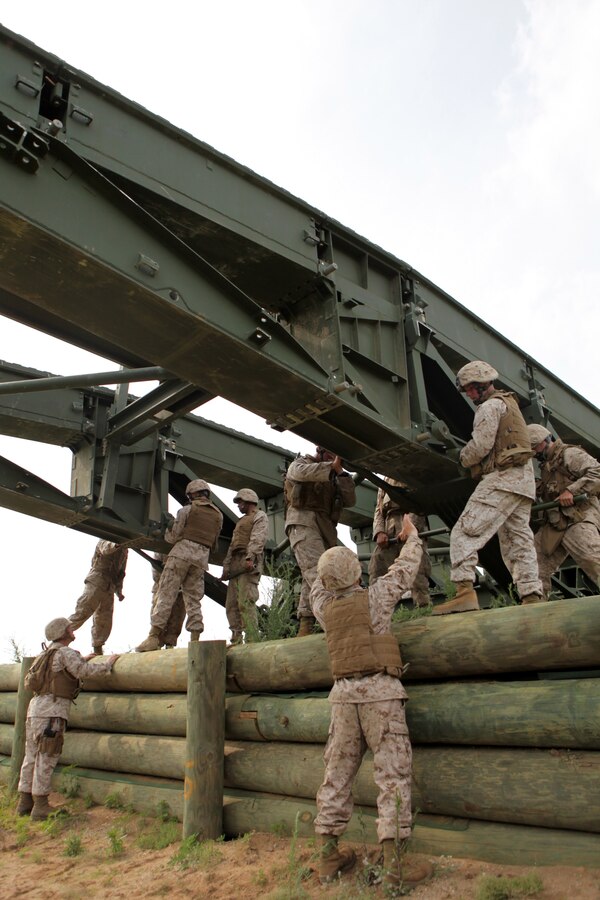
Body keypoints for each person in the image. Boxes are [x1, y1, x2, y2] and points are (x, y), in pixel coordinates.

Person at [310, 516, 432, 890]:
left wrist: (325, 566)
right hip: (381, 697)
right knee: (392, 776)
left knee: (337, 775)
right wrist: (411, 537)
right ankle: (394, 868)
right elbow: (404, 570)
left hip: (343, 700)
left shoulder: (322, 608)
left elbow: (318, 584)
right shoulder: (376, 598)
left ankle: (329, 857)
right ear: (356, 573)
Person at [435, 360, 543, 614]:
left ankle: (464, 592)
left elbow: (481, 446)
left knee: (464, 532)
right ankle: (532, 597)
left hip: (502, 479)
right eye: (467, 390)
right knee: (517, 540)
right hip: (523, 483)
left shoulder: (489, 408)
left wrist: (462, 456)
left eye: (472, 389)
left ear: (483, 385)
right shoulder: (509, 404)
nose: (470, 394)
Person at [17, 617, 118, 820]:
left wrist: (83, 659)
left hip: (35, 711)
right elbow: (82, 671)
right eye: (69, 628)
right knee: (46, 757)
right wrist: (108, 664)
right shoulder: (65, 653)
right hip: (52, 713)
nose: (72, 630)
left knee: (31, 757)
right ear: (63, 633)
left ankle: (24, 802)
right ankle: (41, 806)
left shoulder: (44, 654)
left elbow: (64, 670)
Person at [136, 479, 223, 652]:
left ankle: (153, 637)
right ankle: (195, 639)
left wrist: (169, 526)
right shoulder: (218, 516)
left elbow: (172, 537)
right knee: (193, 599)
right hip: (200, 560)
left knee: (166, 594)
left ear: (192, 495)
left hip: (180, 556)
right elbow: (215, 545)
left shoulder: (186, 510)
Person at [285, 446, 356, 636]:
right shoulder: (302, 463)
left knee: (314, 573)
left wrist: (340, 473)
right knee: (319, 572)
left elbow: (350, 499)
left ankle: (306, 624)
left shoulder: (335, 476)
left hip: (325, 528)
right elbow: (297, 473)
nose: (334, 460)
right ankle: (336, 621)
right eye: (331, 455)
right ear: (321, 451)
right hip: (304, 521)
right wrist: (329, 468)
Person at [528, 424, 600, 596]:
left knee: (592, 559)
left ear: (543, 442)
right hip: (556, 523)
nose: (533, 453)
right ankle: (534, 611)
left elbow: (597, 472)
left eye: (534, 448)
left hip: (578, 517)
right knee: (531, 566)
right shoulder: (547, 465)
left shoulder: (569, 454)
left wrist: (571, 491)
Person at [370, 476, 431, 605]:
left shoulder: (408, 473)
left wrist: (411, 526)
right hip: (389, 528)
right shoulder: (384, 480)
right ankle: (377, 608)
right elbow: (378, 510)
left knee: (417, 572)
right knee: (377, 567)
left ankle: (423, 607)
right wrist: (379, 532)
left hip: (408, 520)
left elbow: (420, 500)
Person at [221, 488, 269, 644]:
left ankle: (252, 638)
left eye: (240, 502)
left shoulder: (259, 516)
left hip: (248, 564)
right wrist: (226, 568)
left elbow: (258, 538)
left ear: (249, 500)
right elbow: (232, 546)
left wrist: (251, 557)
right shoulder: (241, 521)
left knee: (245, 602)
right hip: (236, 565)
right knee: (231, 605)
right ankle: (236, 638)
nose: (238, 505)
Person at [68, 540, 128, 655]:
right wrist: (115, 545)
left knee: (104, 620)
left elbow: (121, 572)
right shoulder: (105, 538)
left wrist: (119, 591)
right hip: (97, 580)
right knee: (82, 612)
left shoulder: (125, 550)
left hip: (110, 584)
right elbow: (105, 549)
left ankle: (98, 648)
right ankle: (56, 642)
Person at [151, 552, 186, 648]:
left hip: (179, 587)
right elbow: (156, 572)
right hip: (162, 586)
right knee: (159, 611)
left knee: (177, 615)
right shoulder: (161, 549)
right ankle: (156, 642)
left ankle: (169, 643)